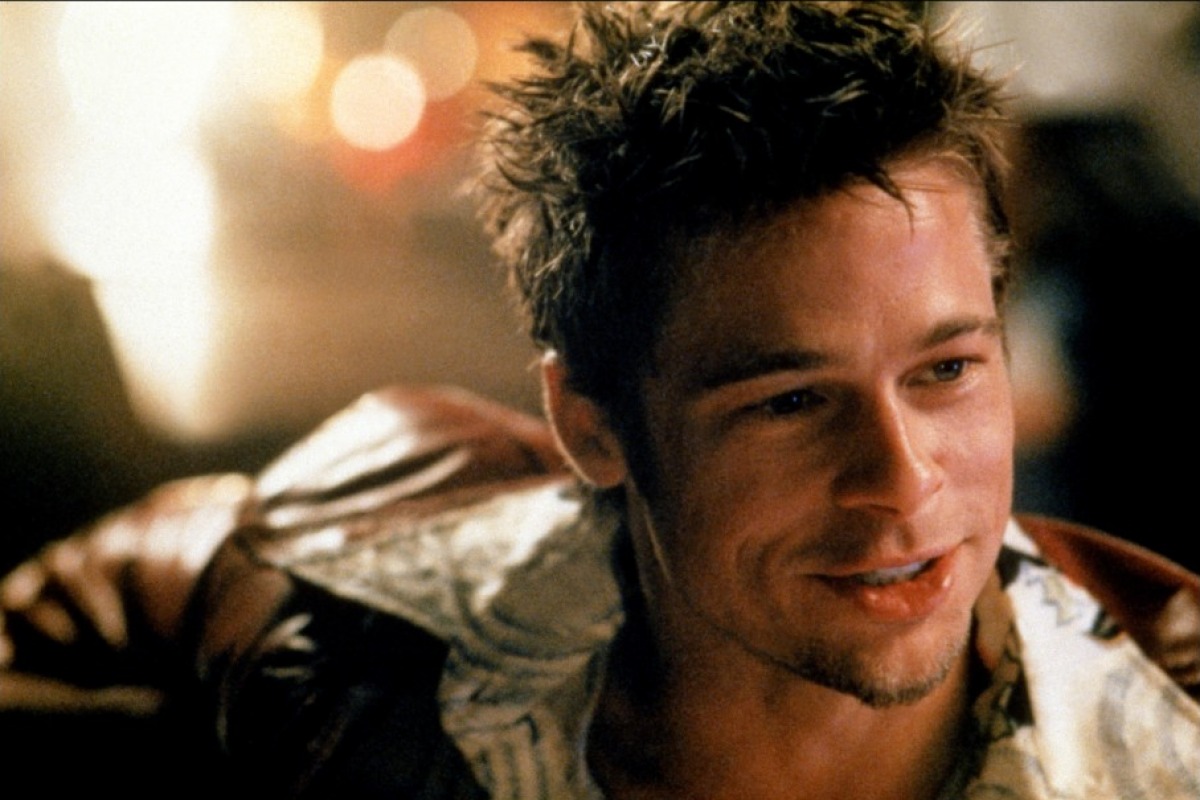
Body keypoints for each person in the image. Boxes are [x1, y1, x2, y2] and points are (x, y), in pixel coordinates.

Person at [2, 3, 1198, 798]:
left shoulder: (1169, 728)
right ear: (590, 423)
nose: (904, 479)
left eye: (946, 370)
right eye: (790, 401)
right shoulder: (349, 589)